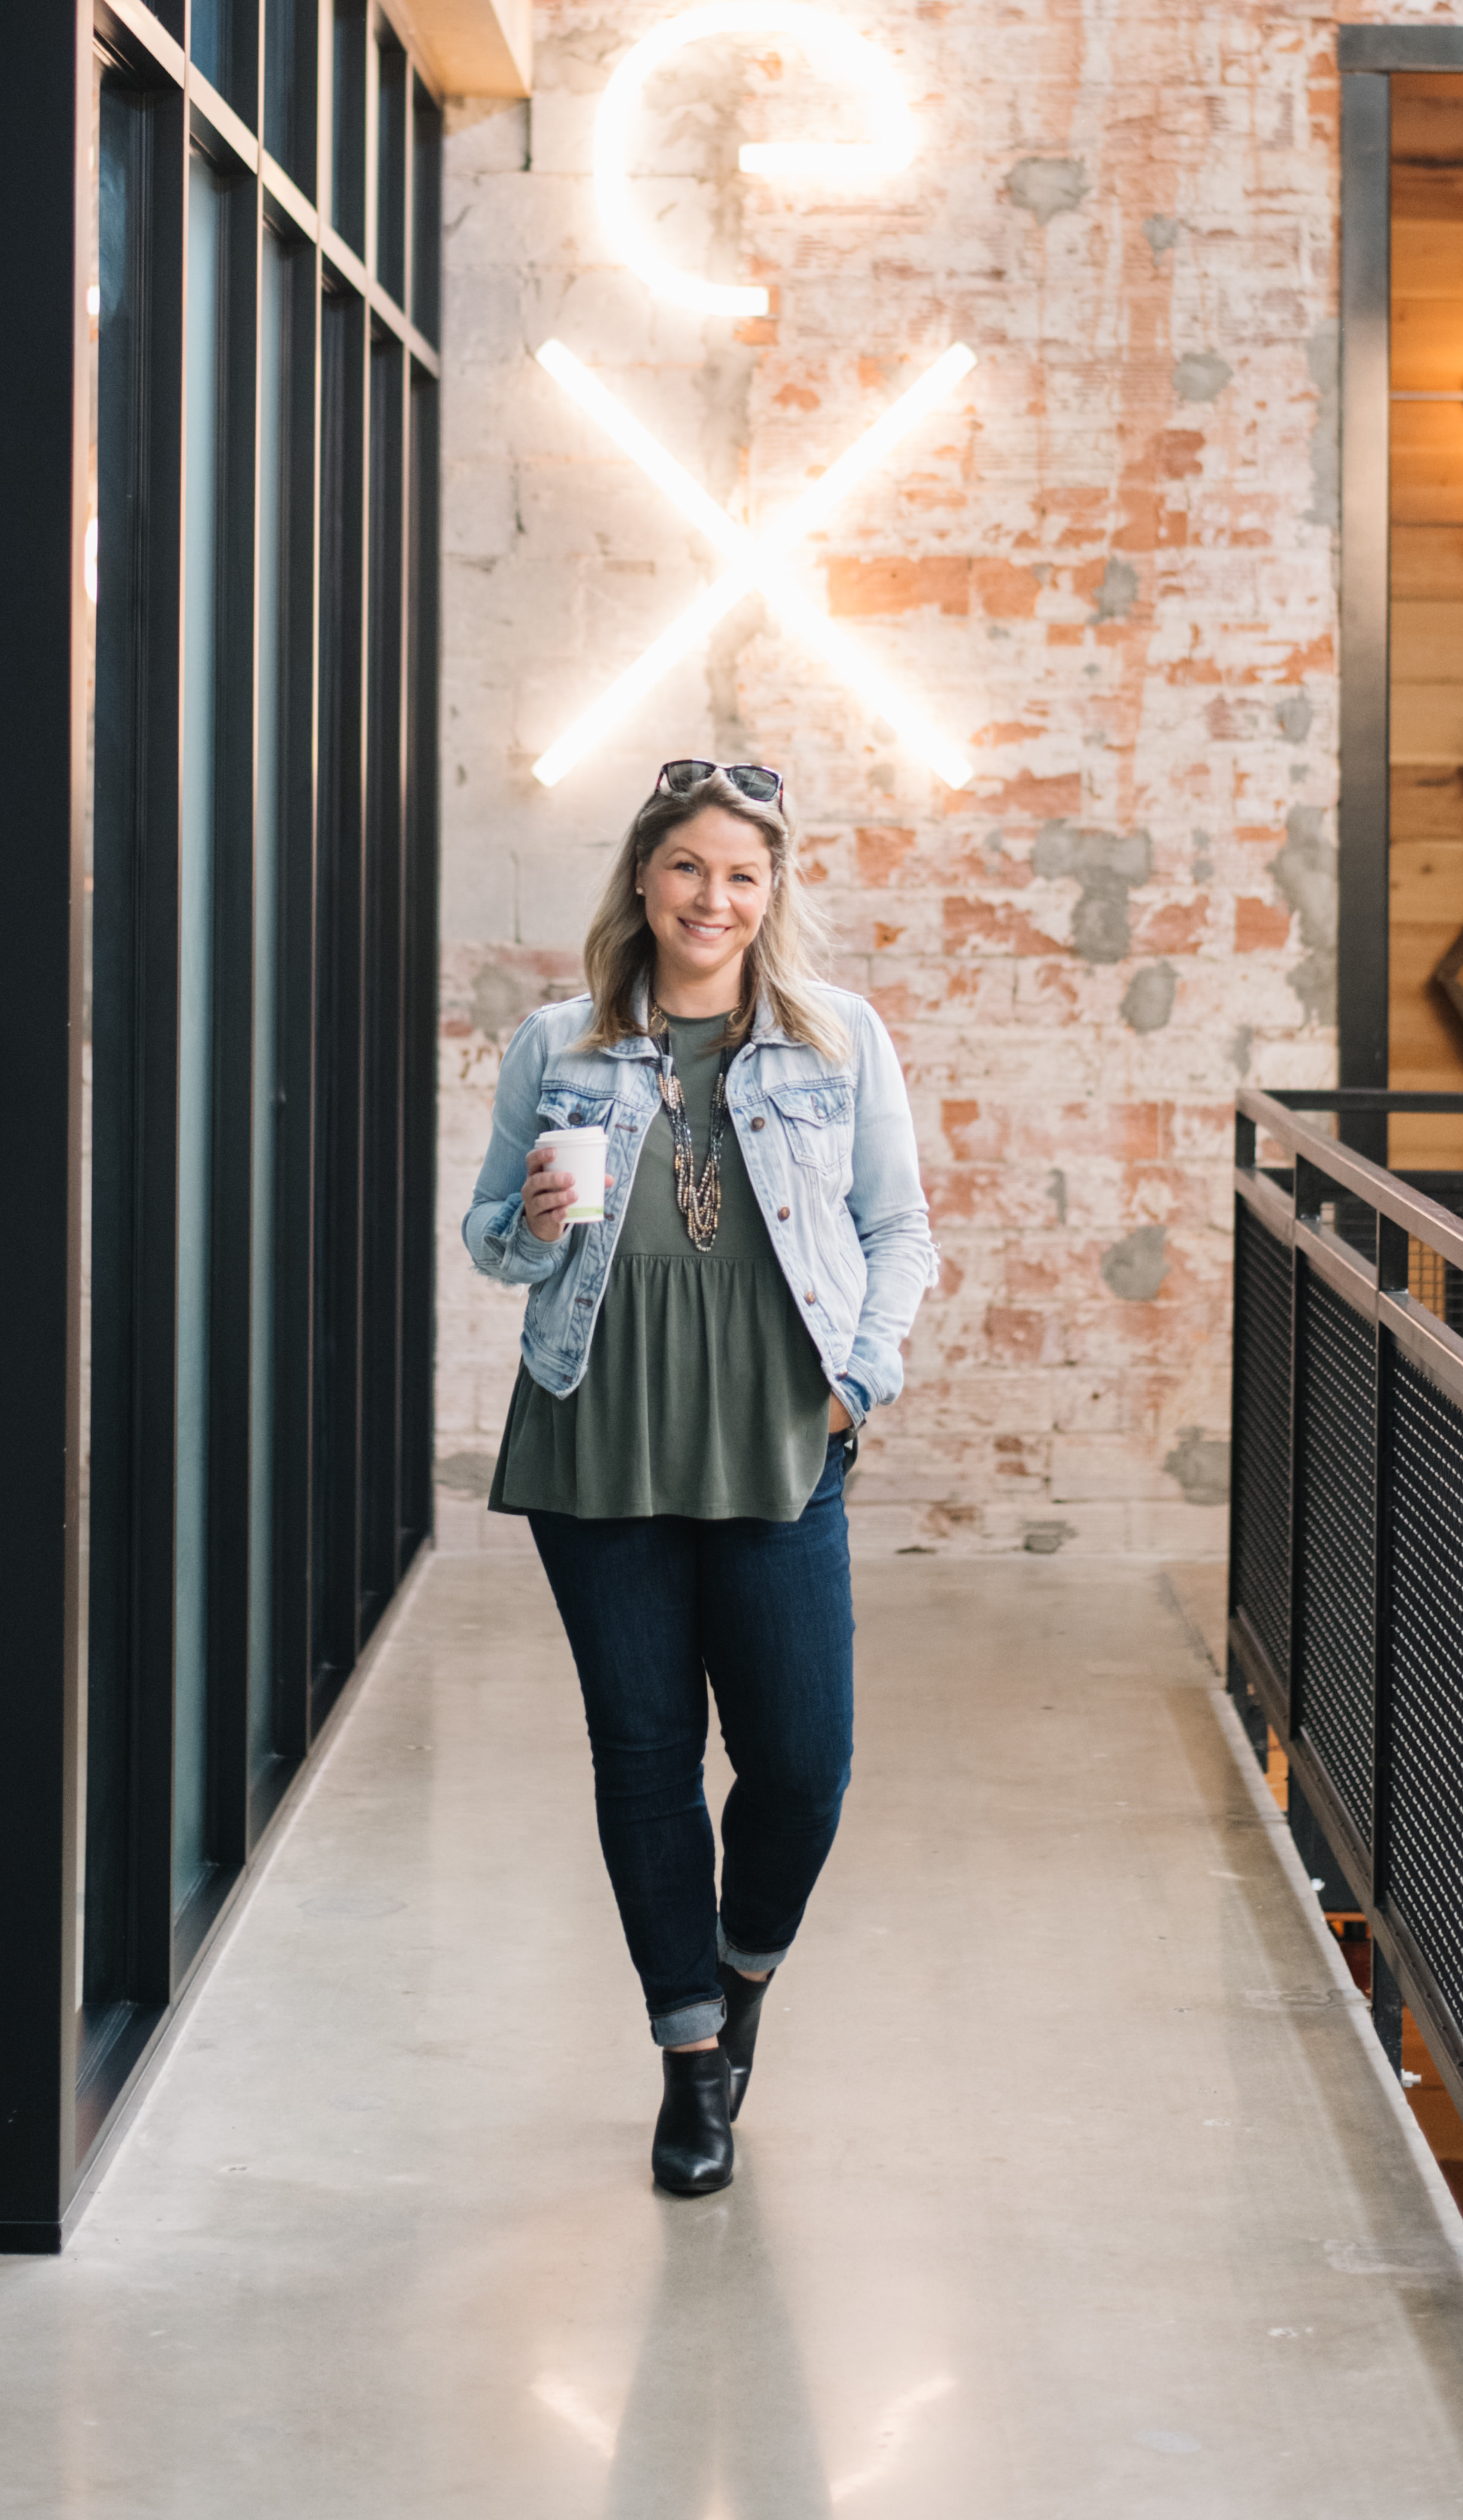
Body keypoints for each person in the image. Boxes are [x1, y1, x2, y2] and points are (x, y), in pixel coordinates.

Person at [464, 759, 935, 2196]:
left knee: (802, 1763)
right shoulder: (561, 1043)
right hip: (595, 1440)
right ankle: (688, 2065)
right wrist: (536, 1223)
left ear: (773, 889)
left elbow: (899, 1232)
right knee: (647, 1760)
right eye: (687, 869)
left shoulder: (840, 1040)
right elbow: (490, 1237)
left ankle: (740, 1980)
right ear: (644, 880)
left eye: (742, 873)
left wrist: (857, 1384)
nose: (713, 898)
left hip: (783, 1438)